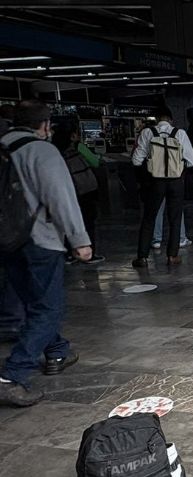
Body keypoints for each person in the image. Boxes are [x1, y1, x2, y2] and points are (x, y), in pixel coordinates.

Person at [0, 100, 91, 407]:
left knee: (32, 302)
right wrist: (80, 240)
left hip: (7, 241)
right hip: (40, 240)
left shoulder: (2, 148)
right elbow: (61, 198)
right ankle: (12, 375)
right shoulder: (42, 151)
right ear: (45, 126)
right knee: (48, 308)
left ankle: (58, 351)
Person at [132, 107, 193, 268]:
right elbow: (191, 161)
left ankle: (142, 257)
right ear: (171, 120)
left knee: (149, 218)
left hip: (155, 182)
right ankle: (172, 256)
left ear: (157, 119)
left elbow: (136, 160)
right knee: (174, 218)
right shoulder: (179, 133)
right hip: (175, 182)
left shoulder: (147, 133)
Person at [52, 118, 105, 264]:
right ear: (72, 135)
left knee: (66, 223)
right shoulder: (78, 147)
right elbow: (95, 161)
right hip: (85, 191)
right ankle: (89, 253)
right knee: (88, 222)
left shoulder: (53, 149)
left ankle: (69, 254)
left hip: (66, 191)